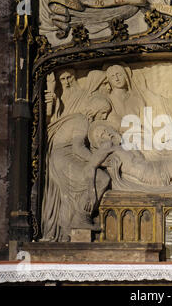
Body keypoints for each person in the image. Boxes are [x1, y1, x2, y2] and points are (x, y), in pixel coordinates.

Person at [41, 95, 114, 242]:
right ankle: (81, 217)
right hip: (64, 159)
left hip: (62, 158)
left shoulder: (78, 119)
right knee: (102, 178)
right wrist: (100, 161)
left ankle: (75, 222)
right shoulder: (82, 121)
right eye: (103, 112)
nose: (105, 116)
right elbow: (78, 148)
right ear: (95, 110)